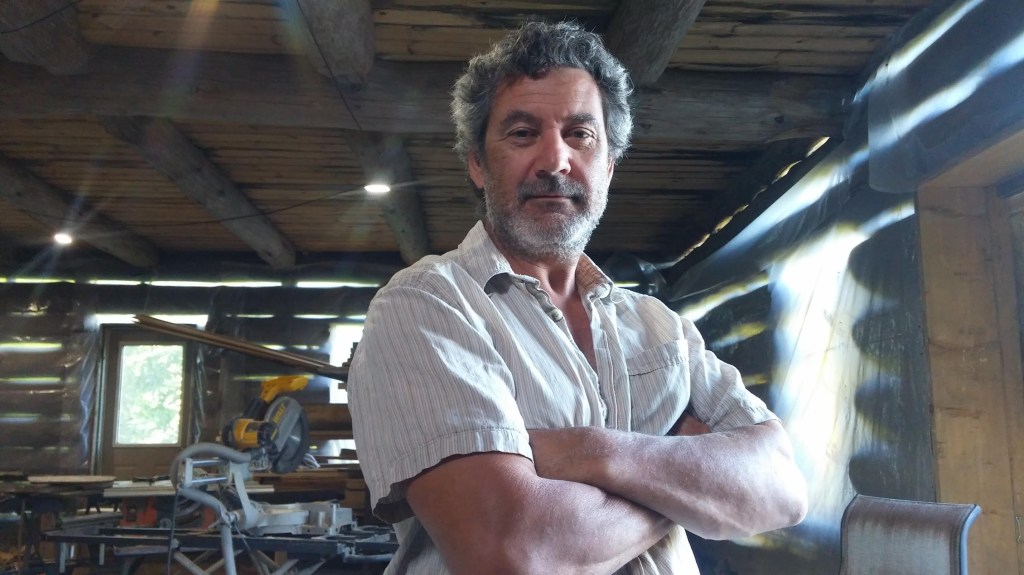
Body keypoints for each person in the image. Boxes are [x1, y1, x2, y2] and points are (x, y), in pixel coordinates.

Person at [347, 20, 807, 574]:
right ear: (476, 162)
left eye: (580, 134)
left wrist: (592, 452)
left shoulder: (660, 326)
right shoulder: (428, 305)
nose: (554, 160)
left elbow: (782, 487)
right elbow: (516, 552)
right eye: (521, 133)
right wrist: (693, 479)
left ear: (609, 165)